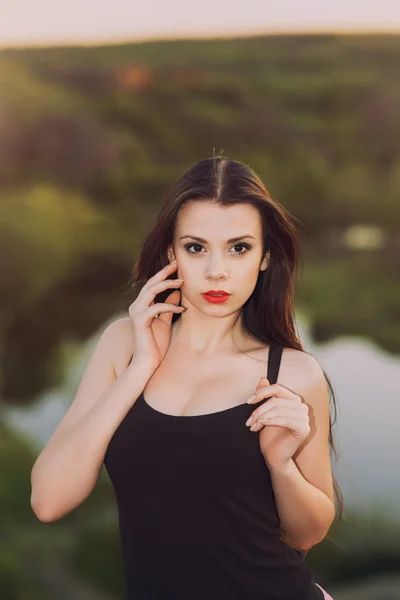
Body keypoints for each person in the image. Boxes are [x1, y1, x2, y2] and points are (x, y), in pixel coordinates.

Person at [31, 156, 341, 599]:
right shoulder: (123, 344)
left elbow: (307, 534)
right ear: (171, 252)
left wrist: (281, 465)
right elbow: (48, 500)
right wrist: (141, 366)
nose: (217, 270)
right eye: (197, 247)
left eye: (239, 248)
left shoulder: (292, 372)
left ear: (266, 256)